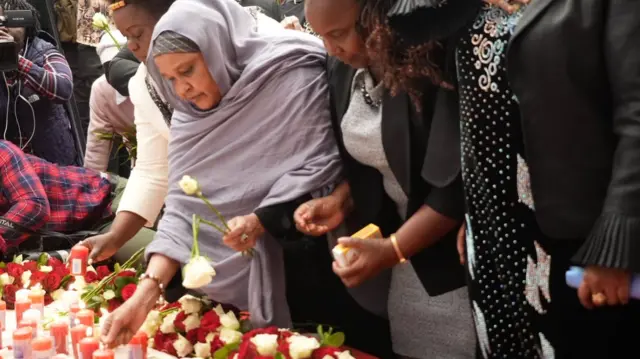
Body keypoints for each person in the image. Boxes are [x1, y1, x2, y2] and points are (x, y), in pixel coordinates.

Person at [379, 0, 640, 357]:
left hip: (577, 242)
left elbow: (635, 119)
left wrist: (617, 249)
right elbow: (404, 19)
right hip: (491, 237)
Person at [100, 0, 344, 347]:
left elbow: (322, 165)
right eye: (170, 78)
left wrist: (261, 220)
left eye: (188, 70)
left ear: (217, 50)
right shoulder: (189, 113)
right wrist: (144, 297)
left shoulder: (290, 73)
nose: (181, 89)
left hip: (313, 266)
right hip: (229, 294)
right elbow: (182, 209)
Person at [295, 0, 475, 358]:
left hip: (451, 251)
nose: (331, 49)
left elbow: (454, 181)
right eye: (322, 37)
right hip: (402, 256)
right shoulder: (343, 68)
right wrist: (340, 201)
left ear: (374, 17)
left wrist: (394, 249)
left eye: (338, 34)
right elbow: (375, 162)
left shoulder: (430, 62)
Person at [0, 139, 151, 261]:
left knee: (161, 258)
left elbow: (34, 206)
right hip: (79, 237)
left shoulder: (3, 151)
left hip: (107, 207)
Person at [0, 0, 78, 166]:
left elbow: (64, 88)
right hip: (10, 164)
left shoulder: (43, 51)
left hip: (50, 160)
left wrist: (17, 61)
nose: (4, 27)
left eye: (11, 21)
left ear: (27, 26)